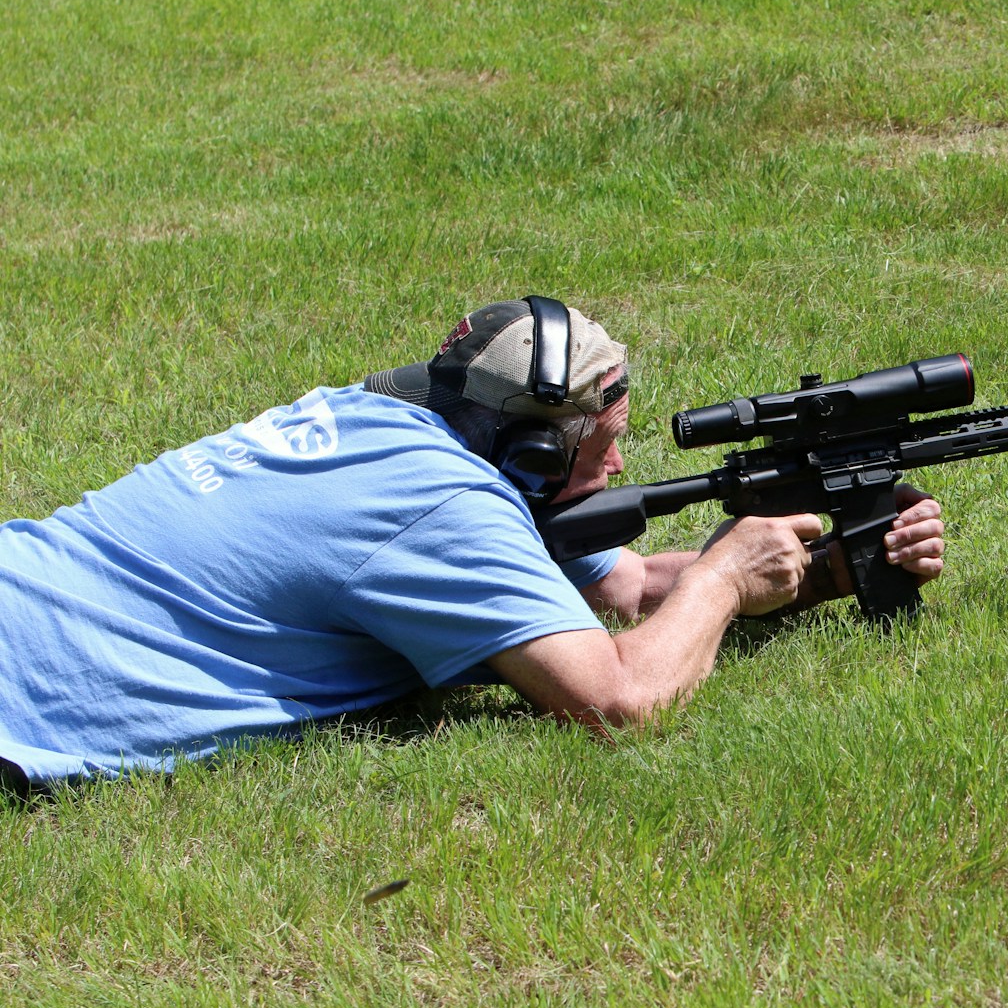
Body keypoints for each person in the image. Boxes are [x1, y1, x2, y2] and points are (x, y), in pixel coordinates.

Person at [0, 296, 946, 789]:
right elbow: (617, 698)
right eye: (606, 447)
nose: (618, 471)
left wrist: (825, 567)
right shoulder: (440, 507)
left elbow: (619, 591)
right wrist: (727, 581)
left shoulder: (367, 419)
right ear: (536, 449)